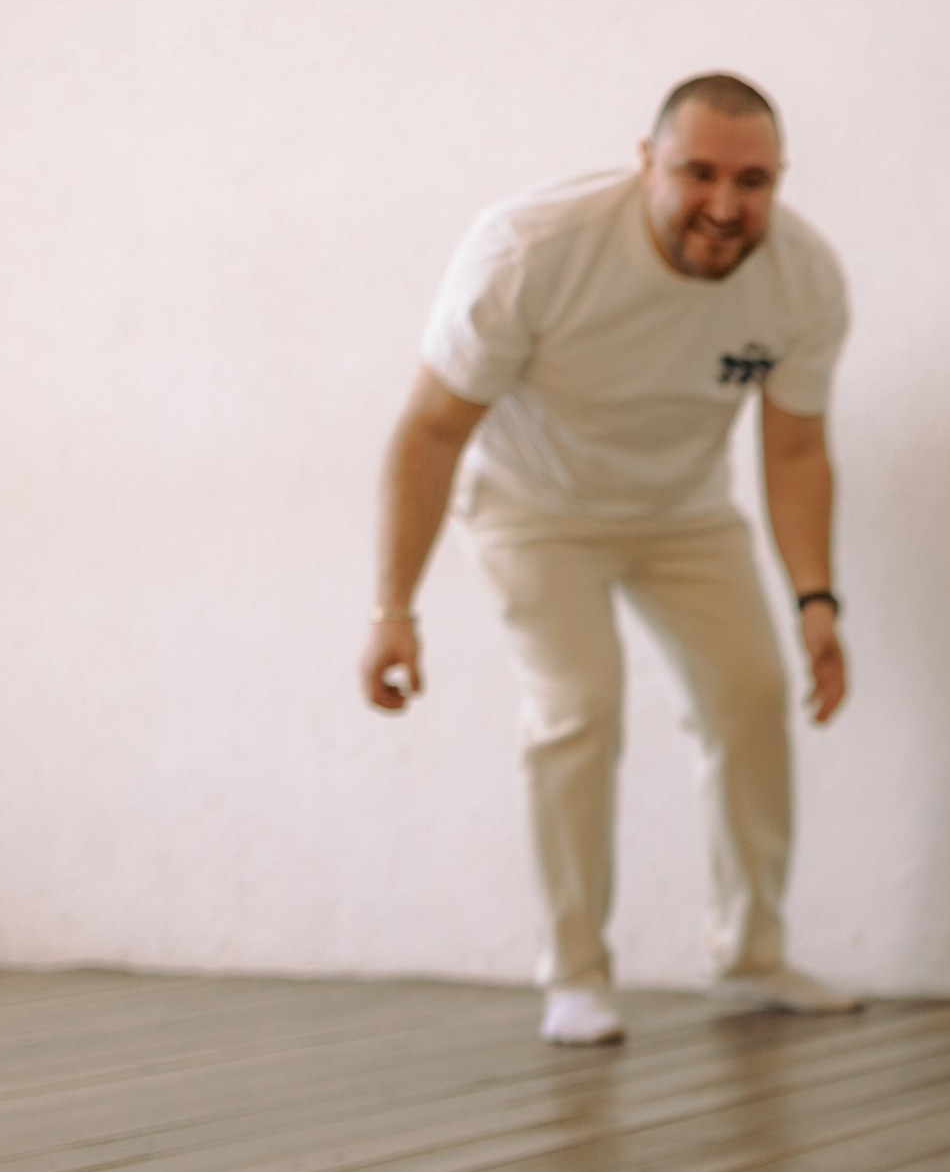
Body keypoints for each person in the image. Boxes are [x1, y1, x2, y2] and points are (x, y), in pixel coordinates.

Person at [360, 72, 860, 1045]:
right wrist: (393, 610)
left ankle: (749, 954)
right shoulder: (530, 248)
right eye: (697, 173)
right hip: (531, 508)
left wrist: (817, 599)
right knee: (578, 708)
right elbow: (426, 431)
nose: (724, 205)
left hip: (682, 513)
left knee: (752, 695)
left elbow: (795, 448)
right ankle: (575, 976)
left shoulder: (804, 277)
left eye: (752, 180)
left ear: (779, 181)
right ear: (646, 163)